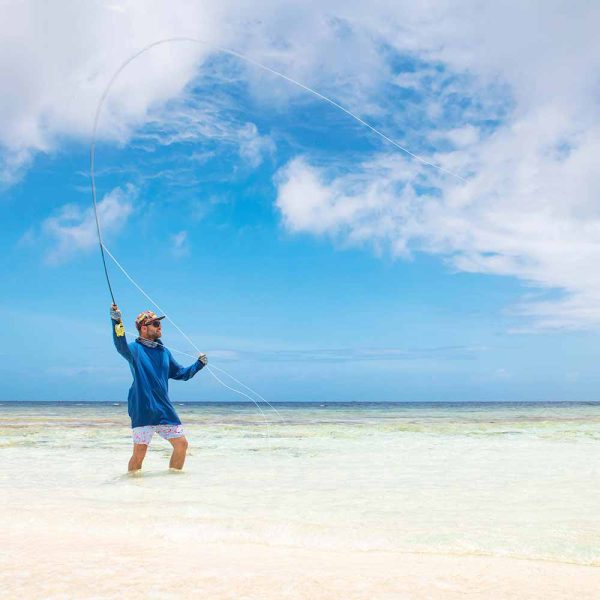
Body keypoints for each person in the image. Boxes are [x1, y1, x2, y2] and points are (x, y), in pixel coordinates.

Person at [110, 304, 207, 473]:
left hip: (164, 410)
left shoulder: (164, 352)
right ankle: (132, 486)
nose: (159, 327)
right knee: (139, 453)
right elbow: (120, 345)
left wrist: (198, 365)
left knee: (182, 444)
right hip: (142, 410)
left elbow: (181, 374)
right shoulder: (135, 350)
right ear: (144, 328)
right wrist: (116, 320)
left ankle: (172, 482)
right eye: (155, 324)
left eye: (159, 323)